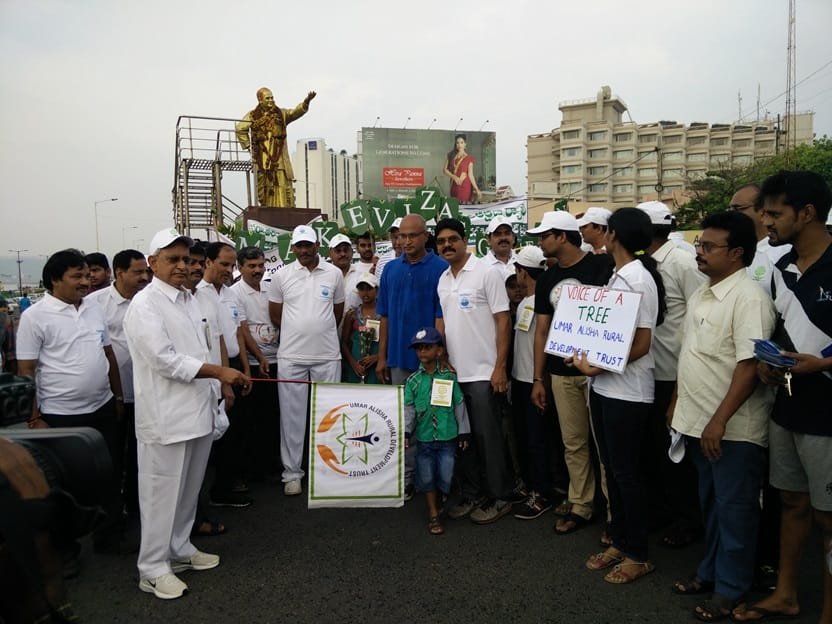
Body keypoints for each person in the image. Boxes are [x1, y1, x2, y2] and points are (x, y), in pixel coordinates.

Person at [123, 228, 250, 600]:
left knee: (187, 492)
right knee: (160, 495)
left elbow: (207, 349)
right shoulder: (145, 305)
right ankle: (151, 567)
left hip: (197, 411)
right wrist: (219, 373)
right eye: (173, 259)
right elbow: (165, 360)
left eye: (187, 260)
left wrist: (219, 386)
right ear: (152, 263)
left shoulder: (190, 299)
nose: (182, 266)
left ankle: (179, 549)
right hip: (165, 418)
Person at [734, 170, 832, 623]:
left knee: (828, 520)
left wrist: (824, 365)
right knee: (791, 504)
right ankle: (786, 594)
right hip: (787, 406)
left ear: (807, 213)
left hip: (828, 416)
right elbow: (776, 331)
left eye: (775, 213)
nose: (766, 221)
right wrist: (768, 365)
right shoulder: (780, 268)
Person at [670, 210, 776, 621]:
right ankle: (711, 573)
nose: (699, 252)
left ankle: (732, 589)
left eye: (708, 247)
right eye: (698, 244)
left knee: (735, 511)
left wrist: (719, 421)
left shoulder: (749, 299)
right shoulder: (703, 292)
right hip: (697, 422)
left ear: (736, 253)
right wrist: (677, 401)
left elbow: (749, 367)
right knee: (711, 507)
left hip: (732, 430)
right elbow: (691, 355)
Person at [570, 207, 665, 584]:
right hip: (604, 388)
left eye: (606, 230)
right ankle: (621, 542)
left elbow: (642, 343)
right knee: (612, 468)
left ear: (615, 235)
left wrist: (597, 365)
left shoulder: (639, 279)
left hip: (628, 392)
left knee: (627, 475)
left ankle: (638, 553)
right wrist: (580, 351)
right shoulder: (617, 275)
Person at [16, 248, 125, 553]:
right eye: (76, 276)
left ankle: (110, 537)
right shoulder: (34, 317)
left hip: (102, 407)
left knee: (109, 475)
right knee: (64, 485)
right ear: (55, 280)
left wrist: (116, 397)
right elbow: (26, 371)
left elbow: (108, 355)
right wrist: (34, 417)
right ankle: (65, 551)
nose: (86, 281)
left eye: (87, 274)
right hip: (60, 415)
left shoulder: (92, 309)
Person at [530, 210, 614, 536]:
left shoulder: (600, 267)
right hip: (560, 374)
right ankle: (581, 504)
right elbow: (541, 331)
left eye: (544, 236)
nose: (540, 242)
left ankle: (614, 511)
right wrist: (539, 379)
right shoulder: (548, 279)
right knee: (574, 442)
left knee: (604, 445)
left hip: (599, 371)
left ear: (561, 236)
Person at [435, 218, 515, 524]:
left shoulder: (487, 272)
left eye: (453, 239)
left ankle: (500, 496)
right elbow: (443, 321)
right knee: (463, 438)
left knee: (489, 437)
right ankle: (473, 492)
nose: (447, 245)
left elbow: (503, 320)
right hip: (454, 374)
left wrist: (499, 368)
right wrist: (442, 358)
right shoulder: (443, 278)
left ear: (465, 240)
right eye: (441, 242)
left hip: (484, 373)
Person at [637, 201, 706, 548]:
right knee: (653, 450)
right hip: (647, 369)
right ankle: (663, 511)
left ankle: (688, 520)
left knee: (675, 453)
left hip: (673, 372)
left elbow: (699, 314)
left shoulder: (680, 262)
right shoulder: (641, 264)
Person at [375, 214, 448, 499]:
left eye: (411, 236)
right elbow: (385, 317)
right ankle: (406, 480)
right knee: (404, 426)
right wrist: (383, 358)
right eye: (401, 236)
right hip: (398, 360)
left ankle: (436, 484)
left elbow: (441, 317)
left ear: (425, 236)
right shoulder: (390, 270)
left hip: (430, 363)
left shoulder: (441, 268)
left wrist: (438, 358)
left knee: (433, 423)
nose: (405, 241)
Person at [268, 225, 344, 496]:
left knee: (330, 415)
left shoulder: (334, 274)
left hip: (326, 356)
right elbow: (276, 315)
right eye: (298, 246)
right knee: (292, 417)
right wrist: (299, 331)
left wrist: (316, 330)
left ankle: (327, 471)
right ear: (294, 247)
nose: (303, 250)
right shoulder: (282, 276)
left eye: (307, 245)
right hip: (291, 356)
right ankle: (292, 473)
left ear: (317, 246)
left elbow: (337, 313)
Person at [86, 249, 150, 523]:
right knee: (114, 455)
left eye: (146, 271)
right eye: (138, 272)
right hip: (115, 393)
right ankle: (112, 514)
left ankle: (139, 506)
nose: (144, 277)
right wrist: (117, 395)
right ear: (119, 272)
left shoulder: (149, 301)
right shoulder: (96, 303)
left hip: (147, 391)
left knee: (143, 454)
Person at [197, 242, 252, 508]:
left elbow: (237, 333)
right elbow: (213, 339)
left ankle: (227, 484)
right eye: (224, 264)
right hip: (212, 369)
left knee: (236, 428)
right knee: (215, 432)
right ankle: (210, 492)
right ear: (208, 262)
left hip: (233, 365)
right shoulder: (197, 294)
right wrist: (222, 381)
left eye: (232, 266)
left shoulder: (231, 294)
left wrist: (247, 367)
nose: (229, 270)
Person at [404, 327, 470, 535]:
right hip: (424, 438)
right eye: (419, 348)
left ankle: (442, 496)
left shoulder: (450, 377)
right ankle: (433, 514)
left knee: (445, 474)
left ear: (439, 351)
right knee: (426, 477)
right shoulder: (413, 381)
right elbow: (409, 409)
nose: (422, 352)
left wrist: (464, 431)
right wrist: (406, 432)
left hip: (447, 436)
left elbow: (459, 403)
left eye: (428, 347)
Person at [505, 246, 552, 520]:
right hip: (520, 380)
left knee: (537, 440)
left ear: (524, 272)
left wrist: (539, 380)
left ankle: (542, 492)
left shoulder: (543, 303)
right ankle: (531, 487)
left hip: (534, 382)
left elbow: (543, 343)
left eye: (517, 270)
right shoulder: (525, 303)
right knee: (524, 436)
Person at [230, 246, 280, 482]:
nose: (258, 270)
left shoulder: (270, 288)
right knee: (254, 419)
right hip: (253, 364)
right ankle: (255, 469)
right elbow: (243, 330)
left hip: (277, 360)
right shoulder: (235, 293)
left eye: (261, 265)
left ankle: (272, 465)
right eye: (252, 266)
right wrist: (258, 358)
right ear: (240, 268)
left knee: (274, 416)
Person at [235, 87, 316, 207]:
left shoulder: (281, 114)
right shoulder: (252, 115)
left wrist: (306, 102)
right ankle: (268, 209)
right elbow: (240, 128)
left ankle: (283, 209)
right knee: (264, 188)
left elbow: (294, 112)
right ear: (260, 100)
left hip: (280, 158)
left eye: (272, 97)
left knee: (283, 184)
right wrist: (249, 146)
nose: (271, 100)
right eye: (267, 98)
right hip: (263, 158)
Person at [728, 184, 791, 297]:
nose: (731, 214)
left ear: (762, 210)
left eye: (738, 209)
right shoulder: (730, 251)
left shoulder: (782, 253)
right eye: (730, 209)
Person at [341, 272, 381, 384]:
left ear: (376, 290)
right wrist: (353, 364)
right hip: (356, 366)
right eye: (361, 289)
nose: (365, 293)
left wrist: (377, 357)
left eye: (369, 289)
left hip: (377, 365)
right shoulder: (352, 314)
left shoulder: (384, 315)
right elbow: (344, 343)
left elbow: (391, 342)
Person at [443, 134, 480, 204]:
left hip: (465, 186)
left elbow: (470, 175)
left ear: (465, 144)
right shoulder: (451, 155)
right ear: (455, 144)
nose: (459, 145)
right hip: (454, 184)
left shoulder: (469, 158)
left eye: (462, 142)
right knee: (454, 205)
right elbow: (444, 170)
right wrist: (454, 177)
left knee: (463, 206)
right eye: (457, 143)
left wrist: (476, 188)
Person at [329, 233, 361, 312]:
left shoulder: (361, 276)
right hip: (331, 323)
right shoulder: (323, 276)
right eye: (338, 251)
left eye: (346, 250)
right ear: (330, 253)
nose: (343, 254)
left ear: (352, 252)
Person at [375, 217, 402, 281]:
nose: (397, 242)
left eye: (401, 237)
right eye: (395, 237)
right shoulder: (382, 261)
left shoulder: (417, 260)